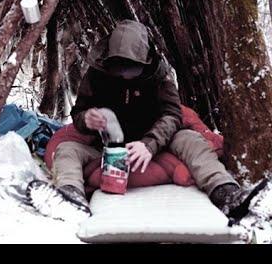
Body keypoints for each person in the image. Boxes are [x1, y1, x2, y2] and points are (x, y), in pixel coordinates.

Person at [27, 19, 265, 220]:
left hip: (157, 144)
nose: (125, 76)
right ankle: (71, 197)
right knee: (67, 148)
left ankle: (227, 193)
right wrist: (86, 119)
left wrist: (149, 144)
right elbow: (78, 112)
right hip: (108, 149)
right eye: (119, 69)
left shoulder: (159, 76)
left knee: (191, 139)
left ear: (145, 62)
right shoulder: (97, 74)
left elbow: (173, 114)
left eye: (132, 70)